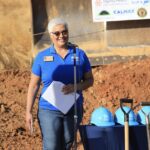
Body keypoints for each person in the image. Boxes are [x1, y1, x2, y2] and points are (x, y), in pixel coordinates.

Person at [26, 17, 94, 150]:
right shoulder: (41, 57)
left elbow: (90, 80)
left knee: (67, 144)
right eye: (56, 33)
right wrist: (28, 111)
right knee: (52, 146)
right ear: (50, 35)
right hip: (48, 110)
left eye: (64, 32)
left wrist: (75, 87)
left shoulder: (79, 54)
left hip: (73, 108)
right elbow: (33, 86)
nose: (61, 36)